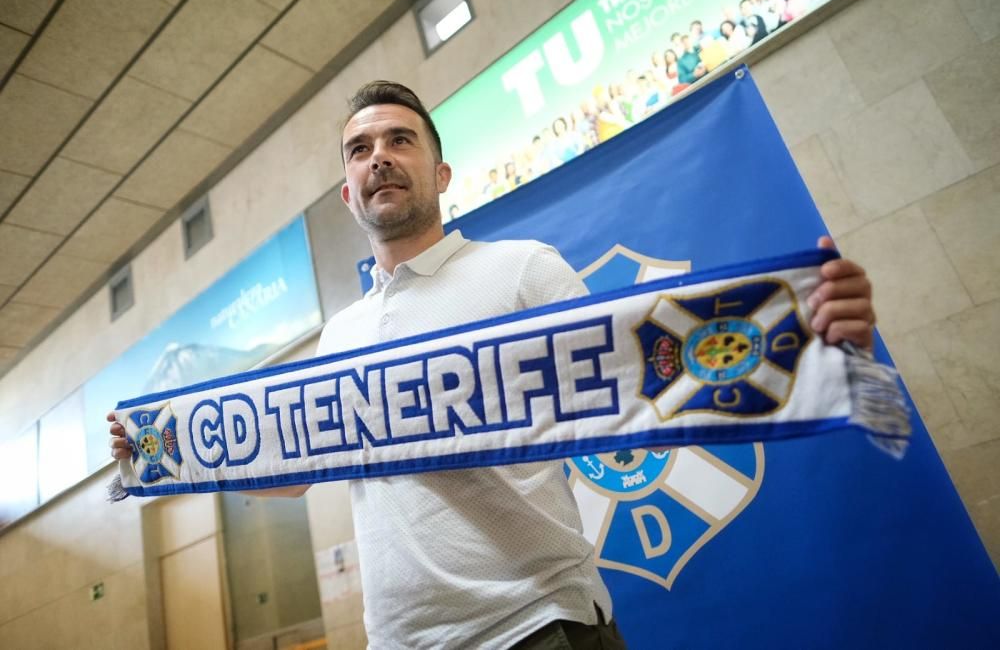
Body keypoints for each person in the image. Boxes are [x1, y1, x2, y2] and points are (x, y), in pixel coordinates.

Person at [110, 80, 877, 648]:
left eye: (400, 140)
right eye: (360, 150)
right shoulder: (338, 336)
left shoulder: (521, 271)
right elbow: (287, 470)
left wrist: (810, 334)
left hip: (538, 624)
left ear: (441, 176)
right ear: (348, 194)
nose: (379, 157)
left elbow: (646, 382)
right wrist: (158, 454)